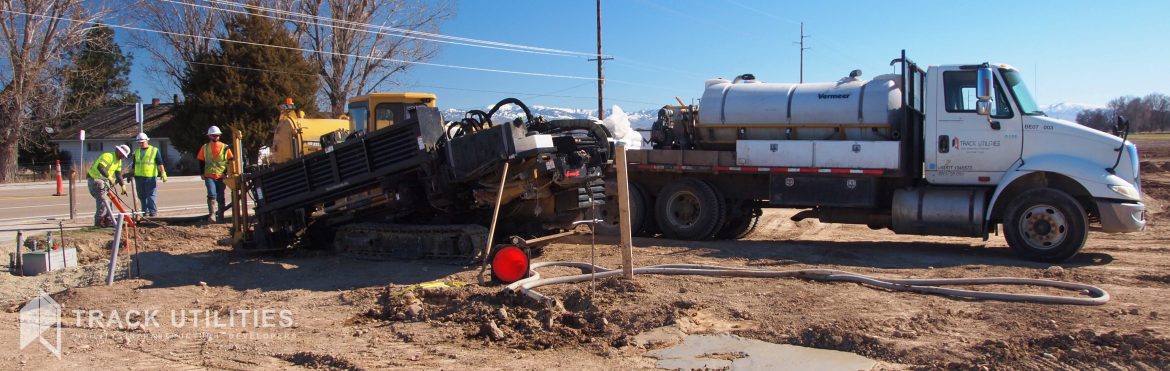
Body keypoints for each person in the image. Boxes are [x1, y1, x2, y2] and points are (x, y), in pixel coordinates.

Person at [87, 144, 131, 227]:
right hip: (95, 179)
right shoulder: (108, 156)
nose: (122, 156)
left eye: (124, 155)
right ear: (117, 150)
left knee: (109, 201)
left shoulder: (119, 161)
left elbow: (118, 174)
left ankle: (108, 219)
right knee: (103, 201)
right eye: (121, 154)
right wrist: (109, 177)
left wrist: (123, 186)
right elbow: (100, 167)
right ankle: (99, 221)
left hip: (104, 181)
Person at [197, 125, 234, 222]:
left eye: (217, 135)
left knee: (221, 196)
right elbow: (201, 161)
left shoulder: (225, 147)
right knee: (212, 195)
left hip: (221, 176)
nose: (215, 137)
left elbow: (231, 160)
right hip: (209, 175)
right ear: (209, 136)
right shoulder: (205, 147)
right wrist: (202, 173)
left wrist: (227, 172)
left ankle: (220, 216)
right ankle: (212, 215)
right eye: (213, 135)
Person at [128, 132, 168, 217]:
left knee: (150, 195)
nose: (141, 144)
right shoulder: (137, 152)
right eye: (139, 142)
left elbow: (159, 163)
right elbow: (134, 164)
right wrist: (131, 174)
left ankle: (152, 212)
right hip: (138, 177)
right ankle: (144, 211)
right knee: (141, 196)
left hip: (150, 177)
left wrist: (163, 173)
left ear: (147, 141)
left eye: (142, 142)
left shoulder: (154, 150)